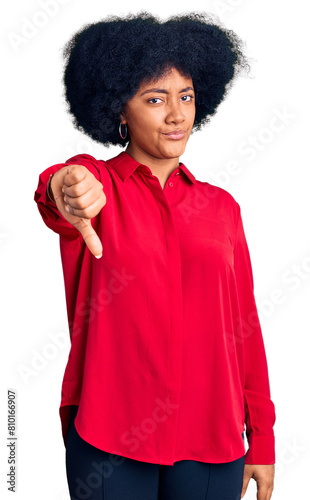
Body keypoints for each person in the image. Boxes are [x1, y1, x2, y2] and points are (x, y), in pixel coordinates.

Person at [34, 12, 276, 500]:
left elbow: (243, 326)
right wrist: (64, 187)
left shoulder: (222, 208)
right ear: (119, 111)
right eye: (155, 99)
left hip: (211, 443)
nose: (176, 115)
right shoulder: (96, 184)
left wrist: (264, 437)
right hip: (110, 438)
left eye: (185, 97)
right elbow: (61, 190)